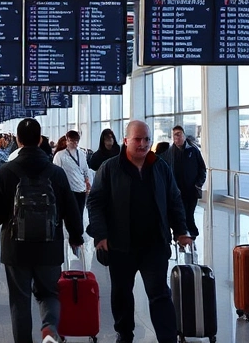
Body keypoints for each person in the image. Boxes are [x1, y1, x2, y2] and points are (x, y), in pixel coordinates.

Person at [87, 120, 192, 343]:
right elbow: (95, 203)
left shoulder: (160, 167)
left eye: (147, 139)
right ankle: (124, 335)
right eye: (138, 139)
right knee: (122, 294)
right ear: (126, 141)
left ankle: (167, 338)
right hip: (120, 246)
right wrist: (100, 234)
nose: (143, 144)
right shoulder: (110, 168)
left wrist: (181, 230)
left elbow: (174, 200)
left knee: (160, 294)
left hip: (154, 245)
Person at [0, 118, 85, 343]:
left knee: (19, 301)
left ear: (17, 140)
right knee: (49, 293)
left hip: (15, 248)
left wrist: (8, 216)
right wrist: (76, 236)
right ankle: (49, 330)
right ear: (40, 140)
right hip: (49, 247)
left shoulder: (6, 172)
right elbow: (71, 209)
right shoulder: (56, 173)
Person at [168, 125, 207, 240]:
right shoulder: (171, 152)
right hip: (177, 190)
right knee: (180, 213)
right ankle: (182, 234)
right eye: (175, 135)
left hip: (191, 189)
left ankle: (191, 234)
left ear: (184, 135)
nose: (177, 138)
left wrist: (198, 183)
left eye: (179, 134)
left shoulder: (193, 151)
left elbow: (202, 168)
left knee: (189, 213)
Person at [52, 130, 90, 221]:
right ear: (67, 140)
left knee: (79, 213)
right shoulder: (59, 156)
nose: (75, 143)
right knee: (70, 216)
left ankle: (79, 232)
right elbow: (55, 173)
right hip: (68, 190)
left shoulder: (81, 154)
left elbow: (85, 169)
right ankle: (74, 233)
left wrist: (87, 181)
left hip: (81, 189)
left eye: (77, 141)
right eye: (72, 141)